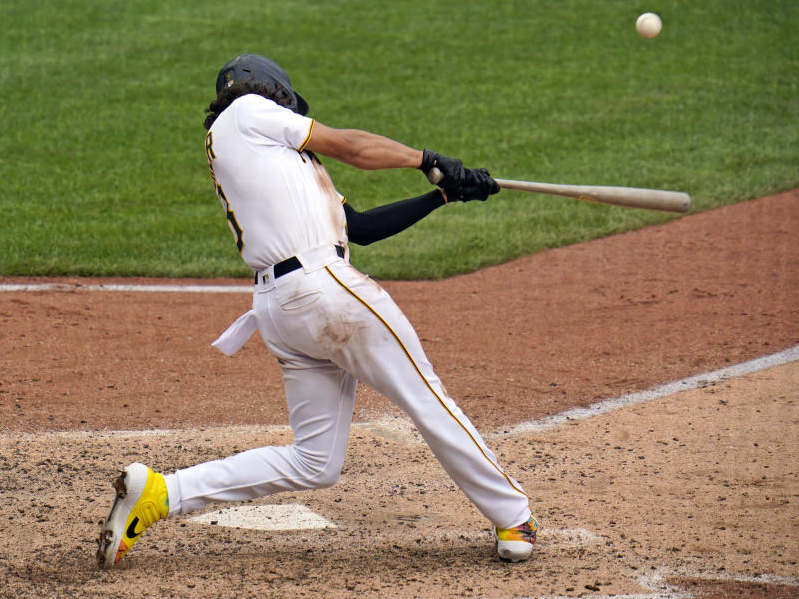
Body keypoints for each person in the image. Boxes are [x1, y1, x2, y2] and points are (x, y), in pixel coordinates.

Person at [96, 54, 538, 569]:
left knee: (315, 462)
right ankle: (513, 515)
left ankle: (160, 494)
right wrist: (428, 158)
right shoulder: (246, 114)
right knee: (426, 396)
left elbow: (362, 228)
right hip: (323, 292)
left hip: (284, 311)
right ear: (271, 91)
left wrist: (442, 194)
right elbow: (350, 145)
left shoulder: (274, 157)